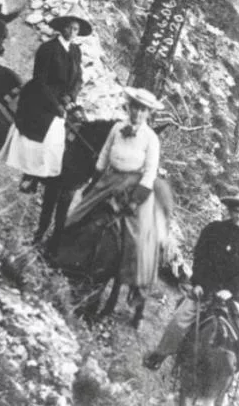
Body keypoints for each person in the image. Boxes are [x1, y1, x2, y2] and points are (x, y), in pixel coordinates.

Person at [144, 186, 239, 401]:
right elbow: (201, 259)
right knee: (181, 319)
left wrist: (230, 291)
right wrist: (198, 283)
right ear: (229, 210)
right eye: (236, 211)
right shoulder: (213, 230)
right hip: (208, 289)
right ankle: (160, 354)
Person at [63, 87, 171, 292]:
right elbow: (104, 154)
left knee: (135, 235)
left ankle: (134, 281)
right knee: (78, 212)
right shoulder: (117, 128)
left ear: (149, 114)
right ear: (129, 107)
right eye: (135, 108)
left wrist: (135, 200)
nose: (137, 113)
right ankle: (64, 257)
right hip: (109, 179)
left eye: (143, 110)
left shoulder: (151, 138)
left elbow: (150, 172)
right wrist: (94, 182)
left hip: (133, 185)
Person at [0, 10, 91, 197]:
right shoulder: (48, 49)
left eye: (76, 29)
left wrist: (71, 97)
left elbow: (78, 78)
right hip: (40, 96)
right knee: (48, 131)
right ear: (61, 28)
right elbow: (40, 80)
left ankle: (54, 175)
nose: (73, 32)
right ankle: (30, 174)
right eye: (70, 28)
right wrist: (56, 105)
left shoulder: (75, 51)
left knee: (78, 129)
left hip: (64, 98)